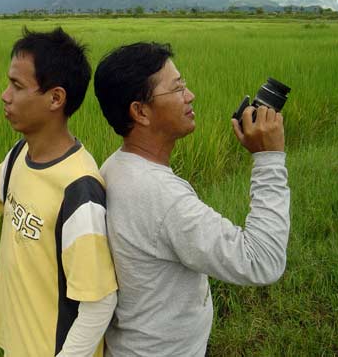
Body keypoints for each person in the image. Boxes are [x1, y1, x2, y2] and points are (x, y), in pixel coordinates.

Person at [93, 42, 290, 357]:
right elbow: (262, 261)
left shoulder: (115, 165)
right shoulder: (164, 199)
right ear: (140, 111)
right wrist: (269, 159)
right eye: (178, 88)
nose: (190, 95)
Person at [0, 27, 117, 356]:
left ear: (55, 98)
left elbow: (99, 304)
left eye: (17, 86)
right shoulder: (20, 156)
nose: (5, 95)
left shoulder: (79, 187)